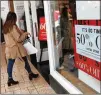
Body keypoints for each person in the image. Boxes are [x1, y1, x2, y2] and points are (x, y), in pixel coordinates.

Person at [3, 12, 39, 86]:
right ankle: (30, 73)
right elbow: (18, 39)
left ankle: (10, 79)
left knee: (11, 64)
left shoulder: (5, 26)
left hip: (9, 48)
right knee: (25, 60)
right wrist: (25, 34)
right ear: (14, 18)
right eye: (15, 18)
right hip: (16, 48)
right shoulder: (12, 27)